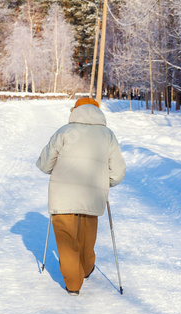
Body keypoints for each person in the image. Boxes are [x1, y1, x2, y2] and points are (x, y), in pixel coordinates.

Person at [36, 97, 126, 296]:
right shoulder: (107, 135)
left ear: (74, 110)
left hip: (63, 196)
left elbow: (44, 164)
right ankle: (85, 270)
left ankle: (73, 283)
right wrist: (103, 183)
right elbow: (118, 172)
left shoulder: (64, 132)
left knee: (67, 241)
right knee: (87, 238)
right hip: (92, 196)